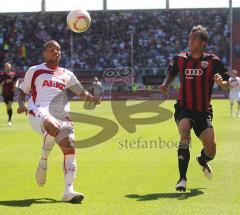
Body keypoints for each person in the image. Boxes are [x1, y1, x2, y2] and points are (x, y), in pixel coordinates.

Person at [17, 40, 100, 203]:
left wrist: (92, 98)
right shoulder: (34, 70)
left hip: (62, 113)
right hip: (39, 111)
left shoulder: (66, 74)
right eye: (51, 50)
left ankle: (69, 191)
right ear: (44, 53)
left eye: (58, 50)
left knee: (69, 146)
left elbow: (81, 91)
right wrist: (21, 105)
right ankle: (43, 161)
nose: (55, 52)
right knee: (53, 126)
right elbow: (21, 91)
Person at [160, 25, 229, 192]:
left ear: (203, 42)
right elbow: (171, 72)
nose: (191, 40)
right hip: (183, 108)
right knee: (184, 136)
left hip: (203, 111)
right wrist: (166, 84)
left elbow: (227, 84)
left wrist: (222, 83)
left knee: (211, 150)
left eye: (195, 38)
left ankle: (202, 159)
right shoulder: (180, 58)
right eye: (190, 37)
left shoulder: (213, 61)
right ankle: (182, 179)